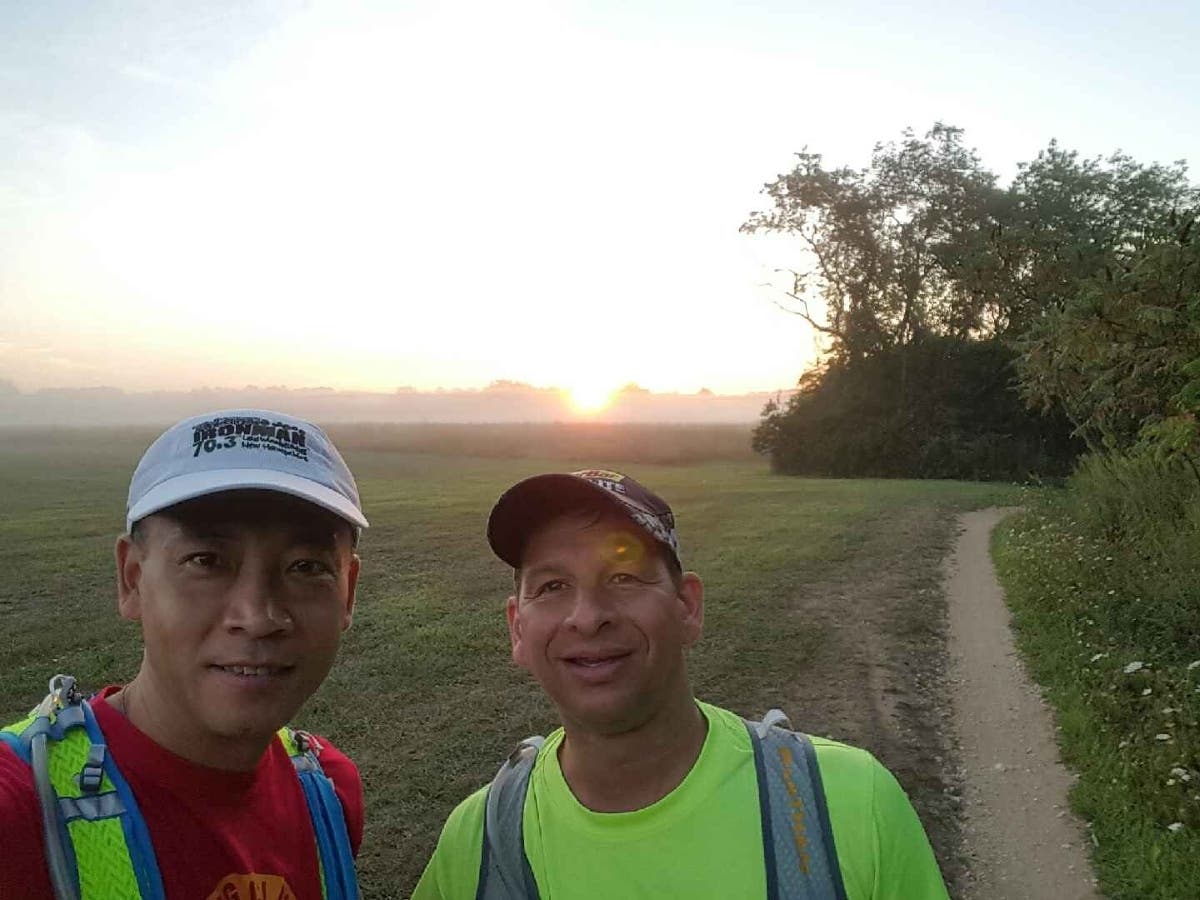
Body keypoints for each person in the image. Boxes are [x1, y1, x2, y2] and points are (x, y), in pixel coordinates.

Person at [413, 469, 949, 900]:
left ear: (687, 607)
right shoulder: (478, 843)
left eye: (623, 577)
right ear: (517, 629)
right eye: (553, 586)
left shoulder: (847, 806)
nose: (588, 617)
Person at [1, 409, 367, 900]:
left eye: (306, 567)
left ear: (348, 593)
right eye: (206, 561)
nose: (257, 617)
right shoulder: (19, 811)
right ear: (132, 580)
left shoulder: (329, 794)